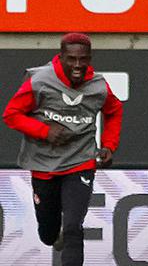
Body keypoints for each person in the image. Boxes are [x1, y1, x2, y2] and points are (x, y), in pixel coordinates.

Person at [3, 33, 123, 266]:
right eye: (71, 59)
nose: (77, 65)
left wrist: (109, 145)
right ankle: (52, 233)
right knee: (48, 234)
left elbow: (114, 110)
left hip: (80, 162)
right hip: (43, 165)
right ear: (61, 57)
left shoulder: (98, 85)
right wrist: (45, 131)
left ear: (90, 58)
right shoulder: (39, 81)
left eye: (83, 59)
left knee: (73, 226)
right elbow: (11, 115)